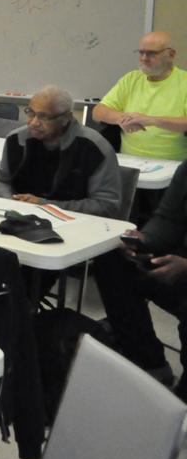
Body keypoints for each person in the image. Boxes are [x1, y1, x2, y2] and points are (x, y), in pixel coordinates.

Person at [95, 161, 187, 401]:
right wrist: (144, 240)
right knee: (112, 260)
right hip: (178, 261)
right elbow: (168, 220)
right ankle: (148, 362)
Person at [0, 85, 123, 217]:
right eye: (30, 112)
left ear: (66, 118)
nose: (33, 122)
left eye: (44, 117)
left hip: (75, 223)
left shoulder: (93, 147)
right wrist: (11, 203)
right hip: (21, 218)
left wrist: (45, 206)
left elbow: (106, 205)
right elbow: (3, 181)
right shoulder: (16, 139)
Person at [93, 31, 187, 160]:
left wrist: (151, 120)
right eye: (141, 52)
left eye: (151, 53)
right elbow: (98, 111)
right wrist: (123, 119)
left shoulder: (184, 82)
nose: (144, 58)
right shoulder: (131, 79)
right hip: (129, 161)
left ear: (171, 54)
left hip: (173, 164)